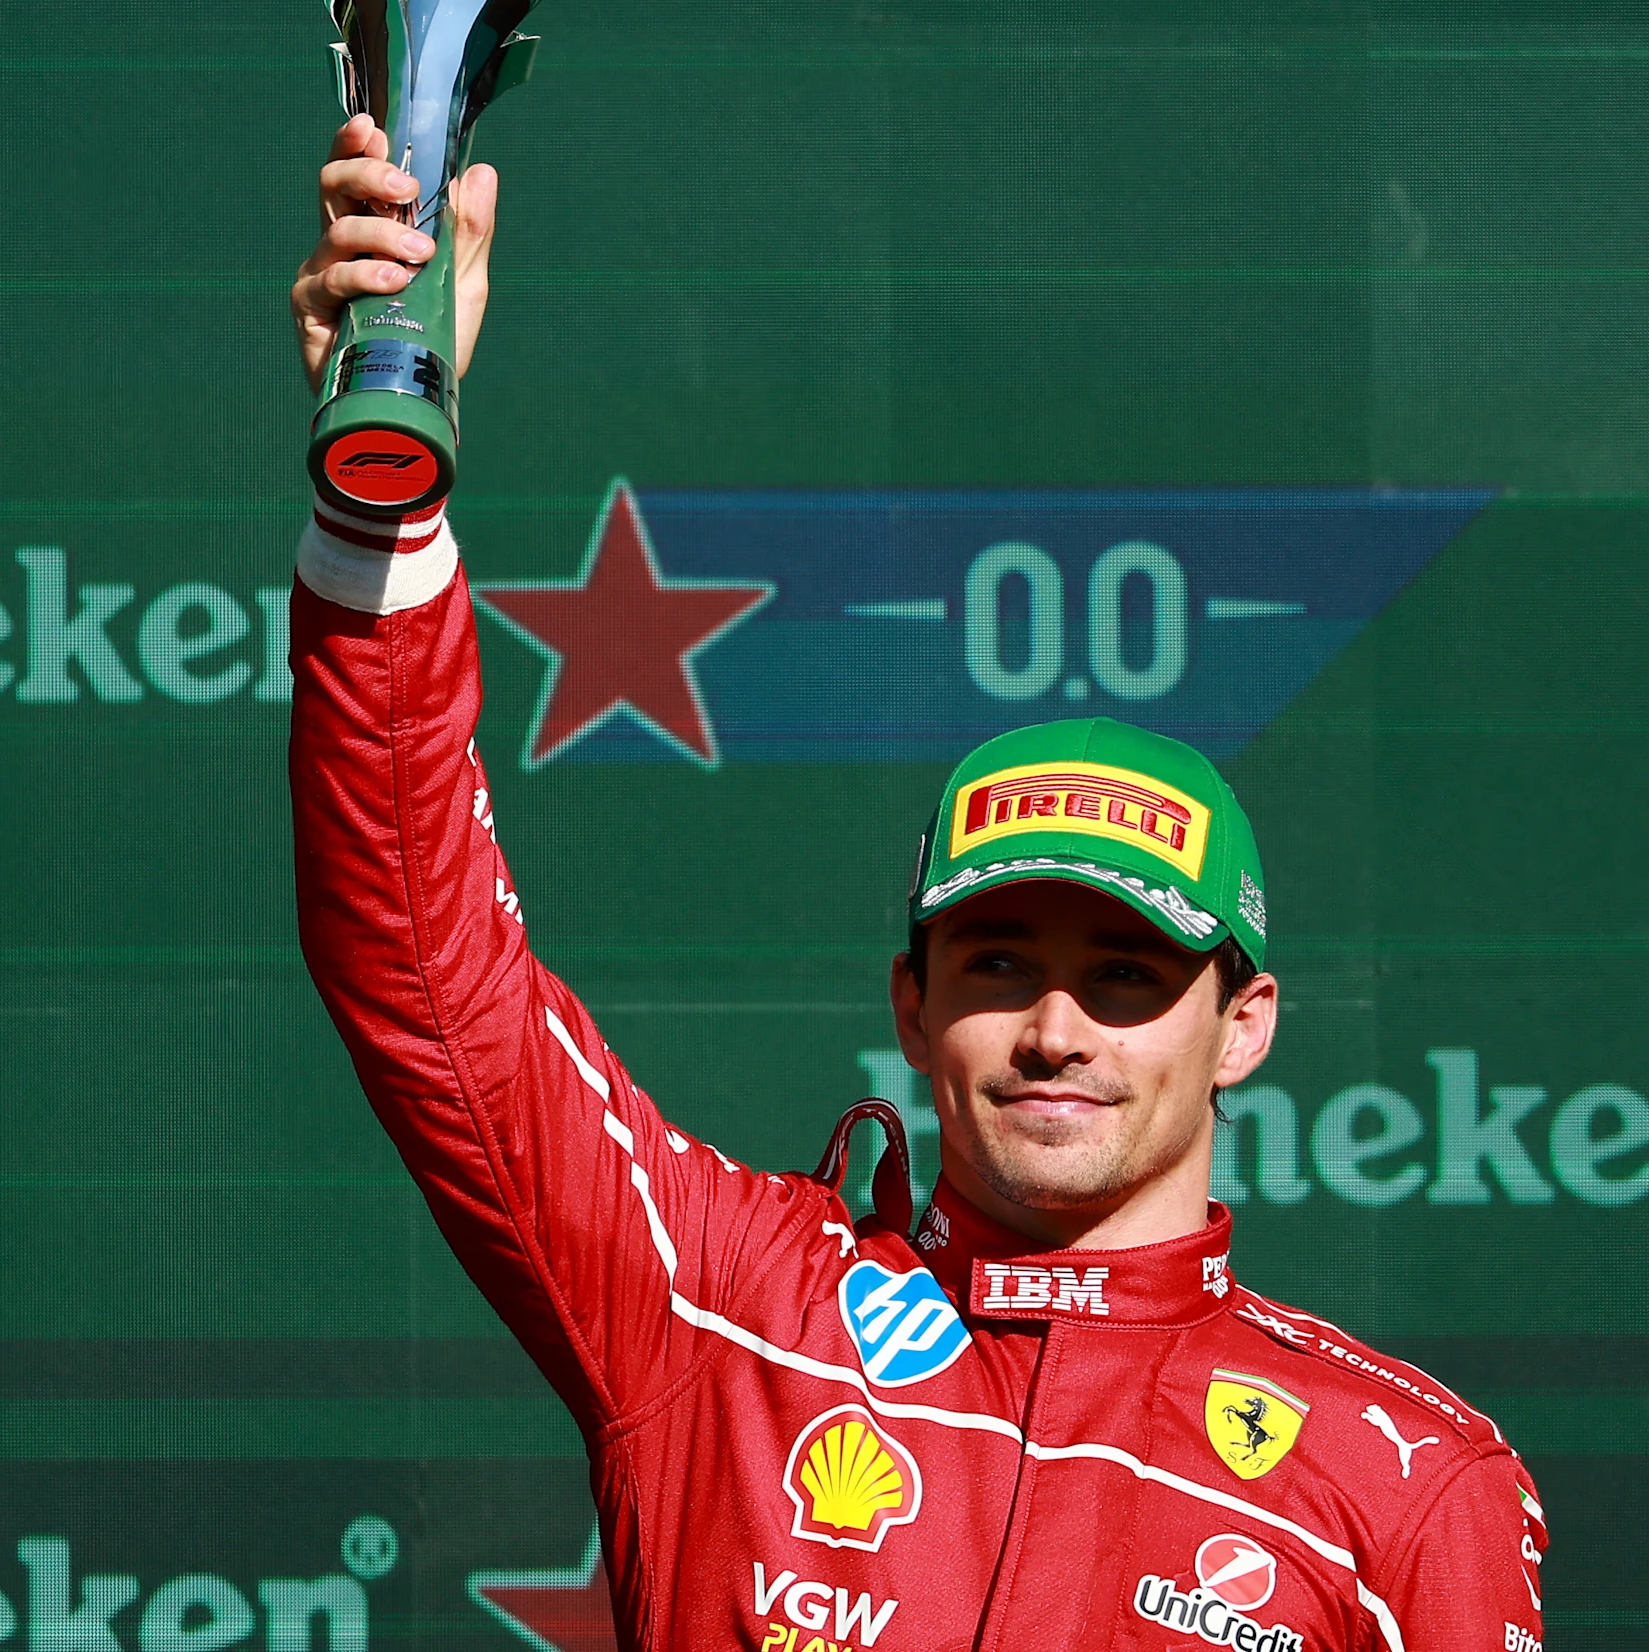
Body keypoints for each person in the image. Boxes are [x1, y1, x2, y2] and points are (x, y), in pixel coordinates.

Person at [284, 114, 1548, 1652]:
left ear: (1246, 1024)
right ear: (914, 1001)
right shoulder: (732, 1314)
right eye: (1000, 963)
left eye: (1130, 975)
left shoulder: (1404, 1486)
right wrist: (381, 502)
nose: (1056, 1029)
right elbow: (422, 973)